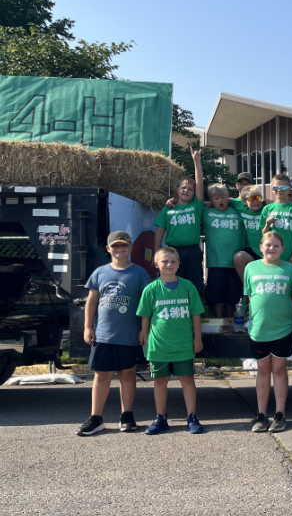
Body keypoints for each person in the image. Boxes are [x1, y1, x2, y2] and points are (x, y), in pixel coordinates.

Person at [77, 231, 152, 436]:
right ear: (108, 249)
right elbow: (91, 301)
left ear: (130, 248)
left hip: (129, 334)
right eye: (115, 246)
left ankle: (126, 415)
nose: (120, 250)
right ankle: (96, 418)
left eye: (124, 246)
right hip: (103, 334)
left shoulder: (139, 273)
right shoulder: (100, 273)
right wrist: (88, 327)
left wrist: (144, 330)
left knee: (127, 374)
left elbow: (147, 304)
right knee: (102, 375)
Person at [137, 247, 205, 435]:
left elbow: (196, 314)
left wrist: (197, 337)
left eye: (173, 261)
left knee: (187, 379)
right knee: (160, 380)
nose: (168, 264)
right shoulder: (151, 289)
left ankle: (192, 416)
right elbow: (145, 316)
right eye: (164, 261)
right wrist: (145, 335)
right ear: (156, 264)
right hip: (159, 345)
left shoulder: (188, 287)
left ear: (178, 264)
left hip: (183, 344)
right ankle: (161, 418)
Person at [244, 232, 292, 433]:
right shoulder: (250, 267)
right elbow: (251, 296)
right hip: (259, 328)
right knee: (262, 370)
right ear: (261, 247)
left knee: (278, 369)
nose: (271, 248)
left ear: (283, 249)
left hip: (283, 327)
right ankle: (261, 415)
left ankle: (280, 414)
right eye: (268, 245)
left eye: (276, 246)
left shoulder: (291, 269)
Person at [153, 147, 204, 290]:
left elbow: (200, 182)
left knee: (194, 285)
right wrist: (157, 252)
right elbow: (160, 232)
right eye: (183, 188)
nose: (186, 190)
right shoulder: (168, 208)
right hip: (173, 251)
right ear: (177, 190)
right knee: (174, 283)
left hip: (193, 250)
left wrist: (197, 161)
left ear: (194, 193)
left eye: (190, 189)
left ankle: (195, 311)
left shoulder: (196, 206)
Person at [203, 183, 245, 317]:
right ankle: (219, 320)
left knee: (233, 295)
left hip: (236, 262)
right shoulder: (207, 212)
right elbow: (192, 203)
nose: (220, 201)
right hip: (216, 261)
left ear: (228, 197)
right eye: (215, 198)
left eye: (223, 197)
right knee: (217, 294)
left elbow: (251, 203)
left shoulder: (237, 210)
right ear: (210, 200)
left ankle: (230, 321)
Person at [261, 173, 292, 267]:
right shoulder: (267, 209)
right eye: (276, 187)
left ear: (289, 190)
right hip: (272, 255)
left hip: (290, 256)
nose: (279, 190)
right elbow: (263, 234)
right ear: (272, 190)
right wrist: (267, 224)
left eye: (283, 188)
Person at [234, 185, 265, 280]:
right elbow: (224, 199)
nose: (256, 201)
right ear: (244, 201)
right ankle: (247, 289)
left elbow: (283, 203)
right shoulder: (240, 207)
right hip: (253, 250)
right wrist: (208, 203)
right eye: (252, 199)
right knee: (238, 258)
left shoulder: (267, 208)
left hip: (268, 250)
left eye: (258, 198)